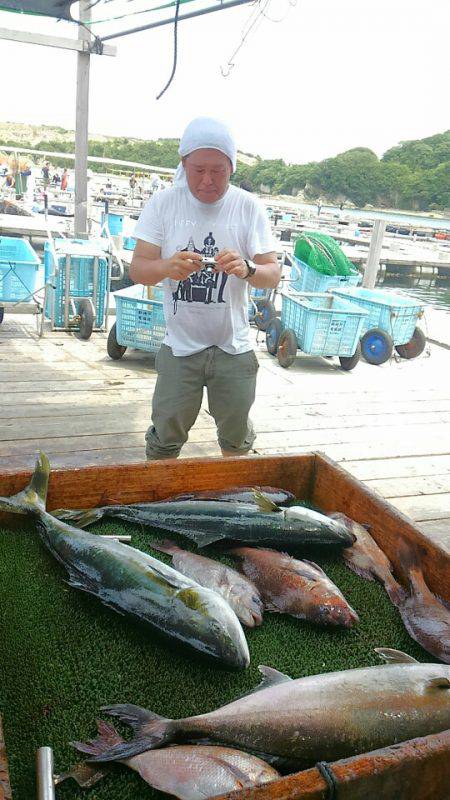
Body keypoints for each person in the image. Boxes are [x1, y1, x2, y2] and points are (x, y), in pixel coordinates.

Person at [131, 116, 279, 461]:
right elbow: (138, 269)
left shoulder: (247, 206)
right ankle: (158, 499)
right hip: (180, 345)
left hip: (234, 344)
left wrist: (247, 268)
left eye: (219, 171)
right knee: (165, 434)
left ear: (232, 166)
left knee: (236, 436)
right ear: (184, 164)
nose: (208, 181)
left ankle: (237, 499)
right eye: (198, 170)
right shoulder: (164, 203)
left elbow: (271, 273)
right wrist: (168, 267)